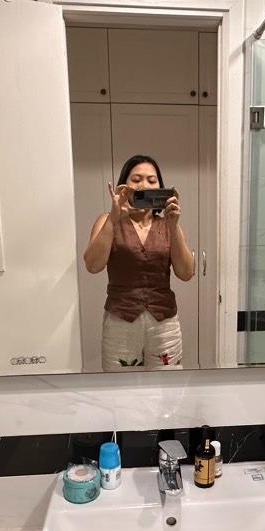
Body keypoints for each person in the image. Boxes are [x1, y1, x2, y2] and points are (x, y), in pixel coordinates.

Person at [82, 155, 195, 370]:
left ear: (161, 187)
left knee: (168, 386)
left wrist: (173, 226)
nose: (144, 185)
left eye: (152, 180)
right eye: (136, 179)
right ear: (124, 186)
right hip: (121, 321)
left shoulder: (170, 225)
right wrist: (114, 218)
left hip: (164, 323)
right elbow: (93, 265)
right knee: (121, 388)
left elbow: (186, 273)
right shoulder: (107, 220)